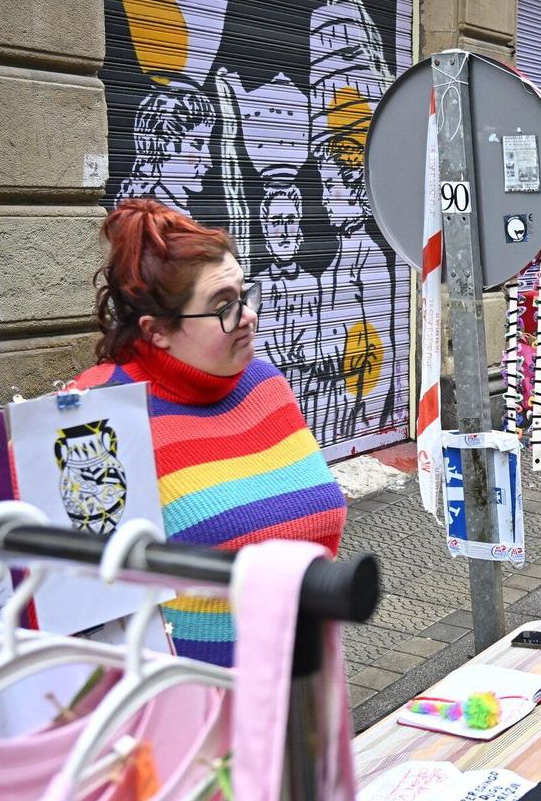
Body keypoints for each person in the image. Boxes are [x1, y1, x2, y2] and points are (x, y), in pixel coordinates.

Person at [74, 198, 347, 666]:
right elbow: (78, 593)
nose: (248, 316)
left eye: (245, 295)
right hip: (188, 708)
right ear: (157, 330)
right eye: (223, 306)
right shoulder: (97, 414)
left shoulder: (265, 383)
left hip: (306, 681)